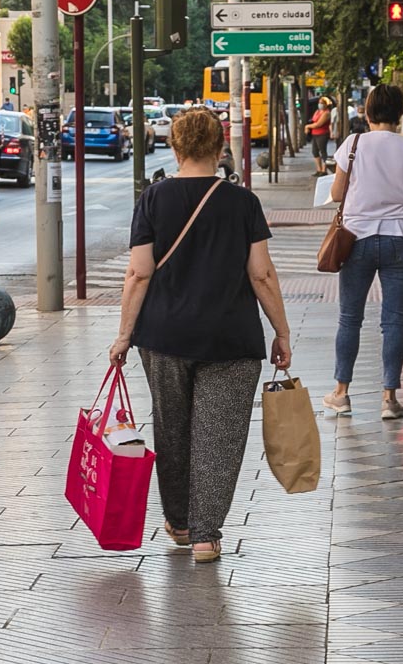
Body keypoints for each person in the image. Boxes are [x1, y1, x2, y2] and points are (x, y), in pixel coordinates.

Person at [110, 108, 292, 564]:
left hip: (164, 336)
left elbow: (138, 273)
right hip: (232, 338)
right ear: (219, 149)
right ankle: (207, 536)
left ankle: (181, 521)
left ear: (174, 147)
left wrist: (123, 335)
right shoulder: (242, 202)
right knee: (220, 436)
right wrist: (281, 331)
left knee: (172, 431)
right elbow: (262, 275)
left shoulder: (153, 200)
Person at [323, 84, 403, 422]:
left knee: (350, 318)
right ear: (400, 114)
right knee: (393, 321)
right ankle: (389, 399)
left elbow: (337, 191)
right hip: (401, 239)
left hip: (355, 238)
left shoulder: (352, 144)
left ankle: (341, 394)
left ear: (368, 113)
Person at [306, 96, 333, 171]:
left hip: (322, 134)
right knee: (315, 151)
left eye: (322, 103)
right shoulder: (317, 111)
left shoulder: (327, 113)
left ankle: (324, 169)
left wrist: (308, 126)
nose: (320, 104)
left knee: (323, 151)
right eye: (319, 103)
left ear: (326, 104)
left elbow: (319, 124)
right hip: (315, 133)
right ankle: (319, 169)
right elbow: (314, 121)